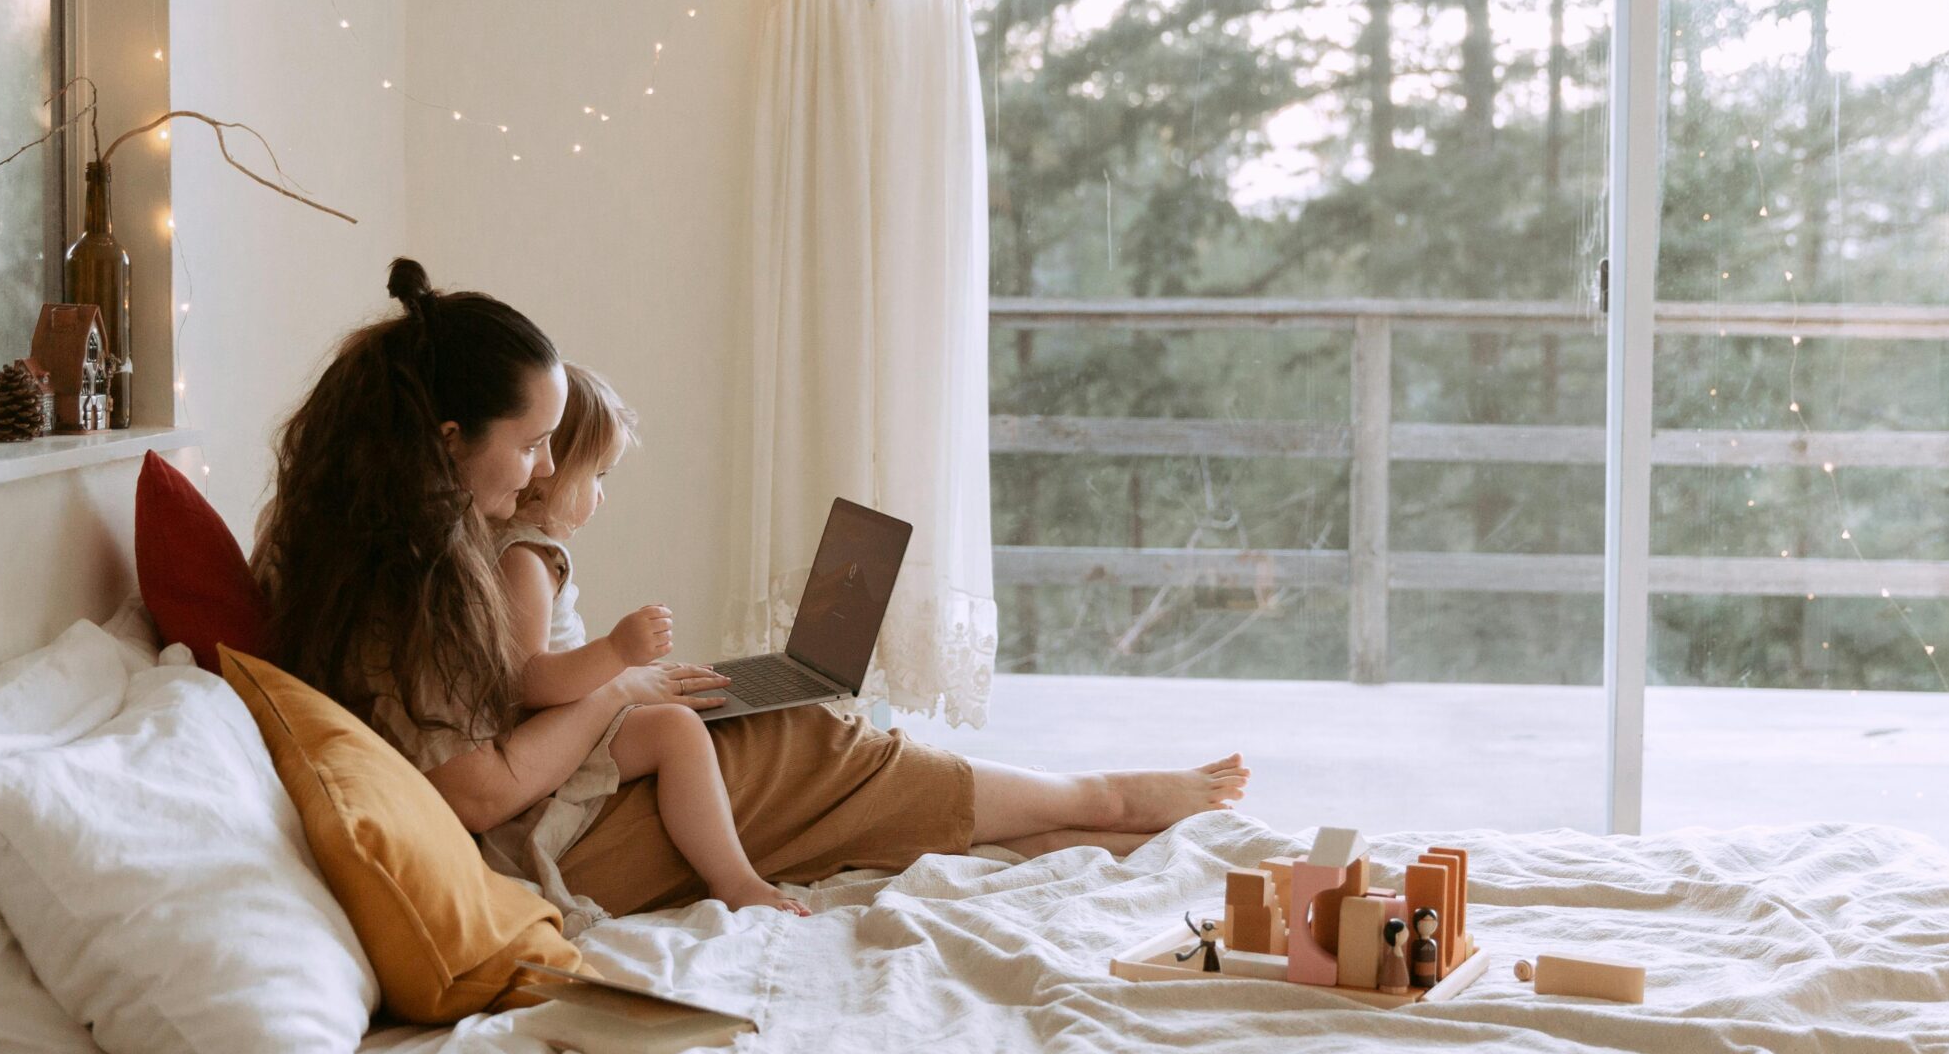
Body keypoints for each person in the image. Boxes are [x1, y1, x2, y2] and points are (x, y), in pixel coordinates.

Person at [252, 258, 1249, 924]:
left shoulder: (401, 549)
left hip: (560, 795)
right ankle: (1097, 800)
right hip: (538, 845)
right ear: (447, 444)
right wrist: (613, 690)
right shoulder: (410, 582)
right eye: (530, 446)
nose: (542, 473)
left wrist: (619, 690)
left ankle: (1072, 821)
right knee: (801, 739)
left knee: (769, 724)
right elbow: (473, 787)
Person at [489, 360, 806, 916]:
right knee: (676, 731)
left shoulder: (523, 550)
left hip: (566, 717)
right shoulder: (525, 559)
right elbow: (527, 680)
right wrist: (616, 655)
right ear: (551, 472)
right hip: (549, 732)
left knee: (678, 706)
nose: (601, 498)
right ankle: (736, 881)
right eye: (598, 478)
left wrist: (628, 672)